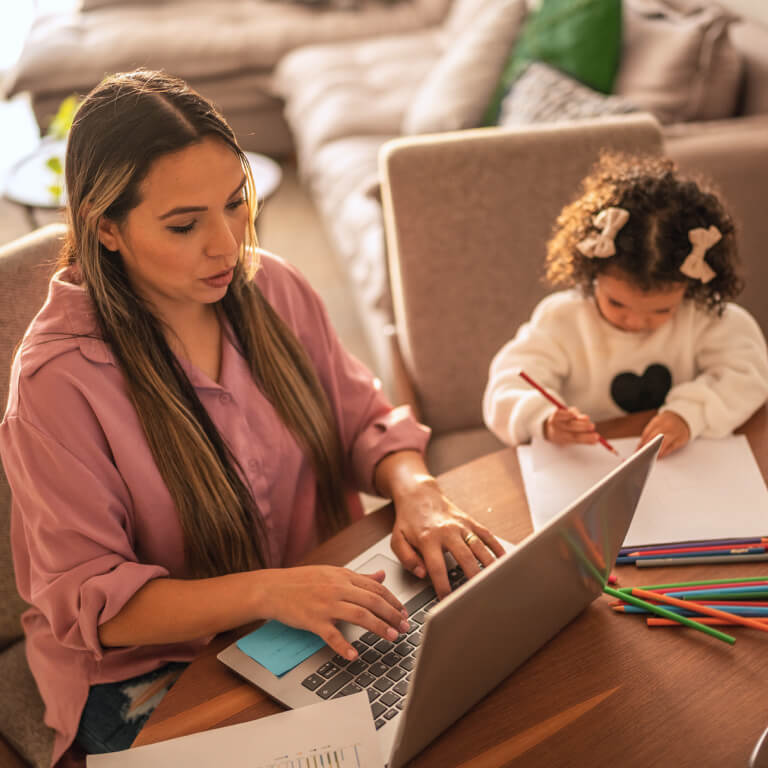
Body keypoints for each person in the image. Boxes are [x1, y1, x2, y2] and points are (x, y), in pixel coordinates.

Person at [0, 69, 503, 766]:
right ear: (105, 229)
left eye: (236, 203)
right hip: (150, 672)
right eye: (184, 224)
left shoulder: (276, 288)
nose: (227, 244)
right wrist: (272, 592)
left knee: (483, 703)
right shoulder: (58, 384)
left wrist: (420, 494)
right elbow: (98, 606)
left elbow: (363, 420)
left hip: (304, 614)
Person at [483, 152, 768, 459]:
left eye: (662, 310)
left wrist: (688, 415)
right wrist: (543, 418)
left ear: (692, 287)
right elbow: (507, 385)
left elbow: (749, 376)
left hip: (687, 462)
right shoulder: (562, 318)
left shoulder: (706, 317)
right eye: (616, 303)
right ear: (592, 272)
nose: (634, 322)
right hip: (585, 464)